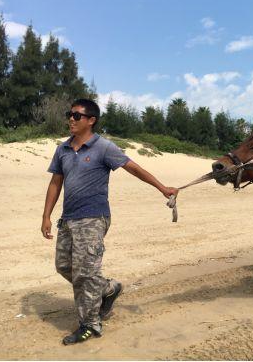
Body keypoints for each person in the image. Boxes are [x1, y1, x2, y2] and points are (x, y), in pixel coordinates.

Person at [41, 99, 178, 345]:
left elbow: (133, 168)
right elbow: (55, 183)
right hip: (69, 218)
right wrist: (46, 216)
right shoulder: (62, 149)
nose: (71, 119)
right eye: (69, 114)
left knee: (86, 272)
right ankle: (107, 288)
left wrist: (162, 187)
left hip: (94, 217)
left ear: (91, 120)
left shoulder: (103, 147)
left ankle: (90, 324)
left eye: (76, 115)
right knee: (64, 266)